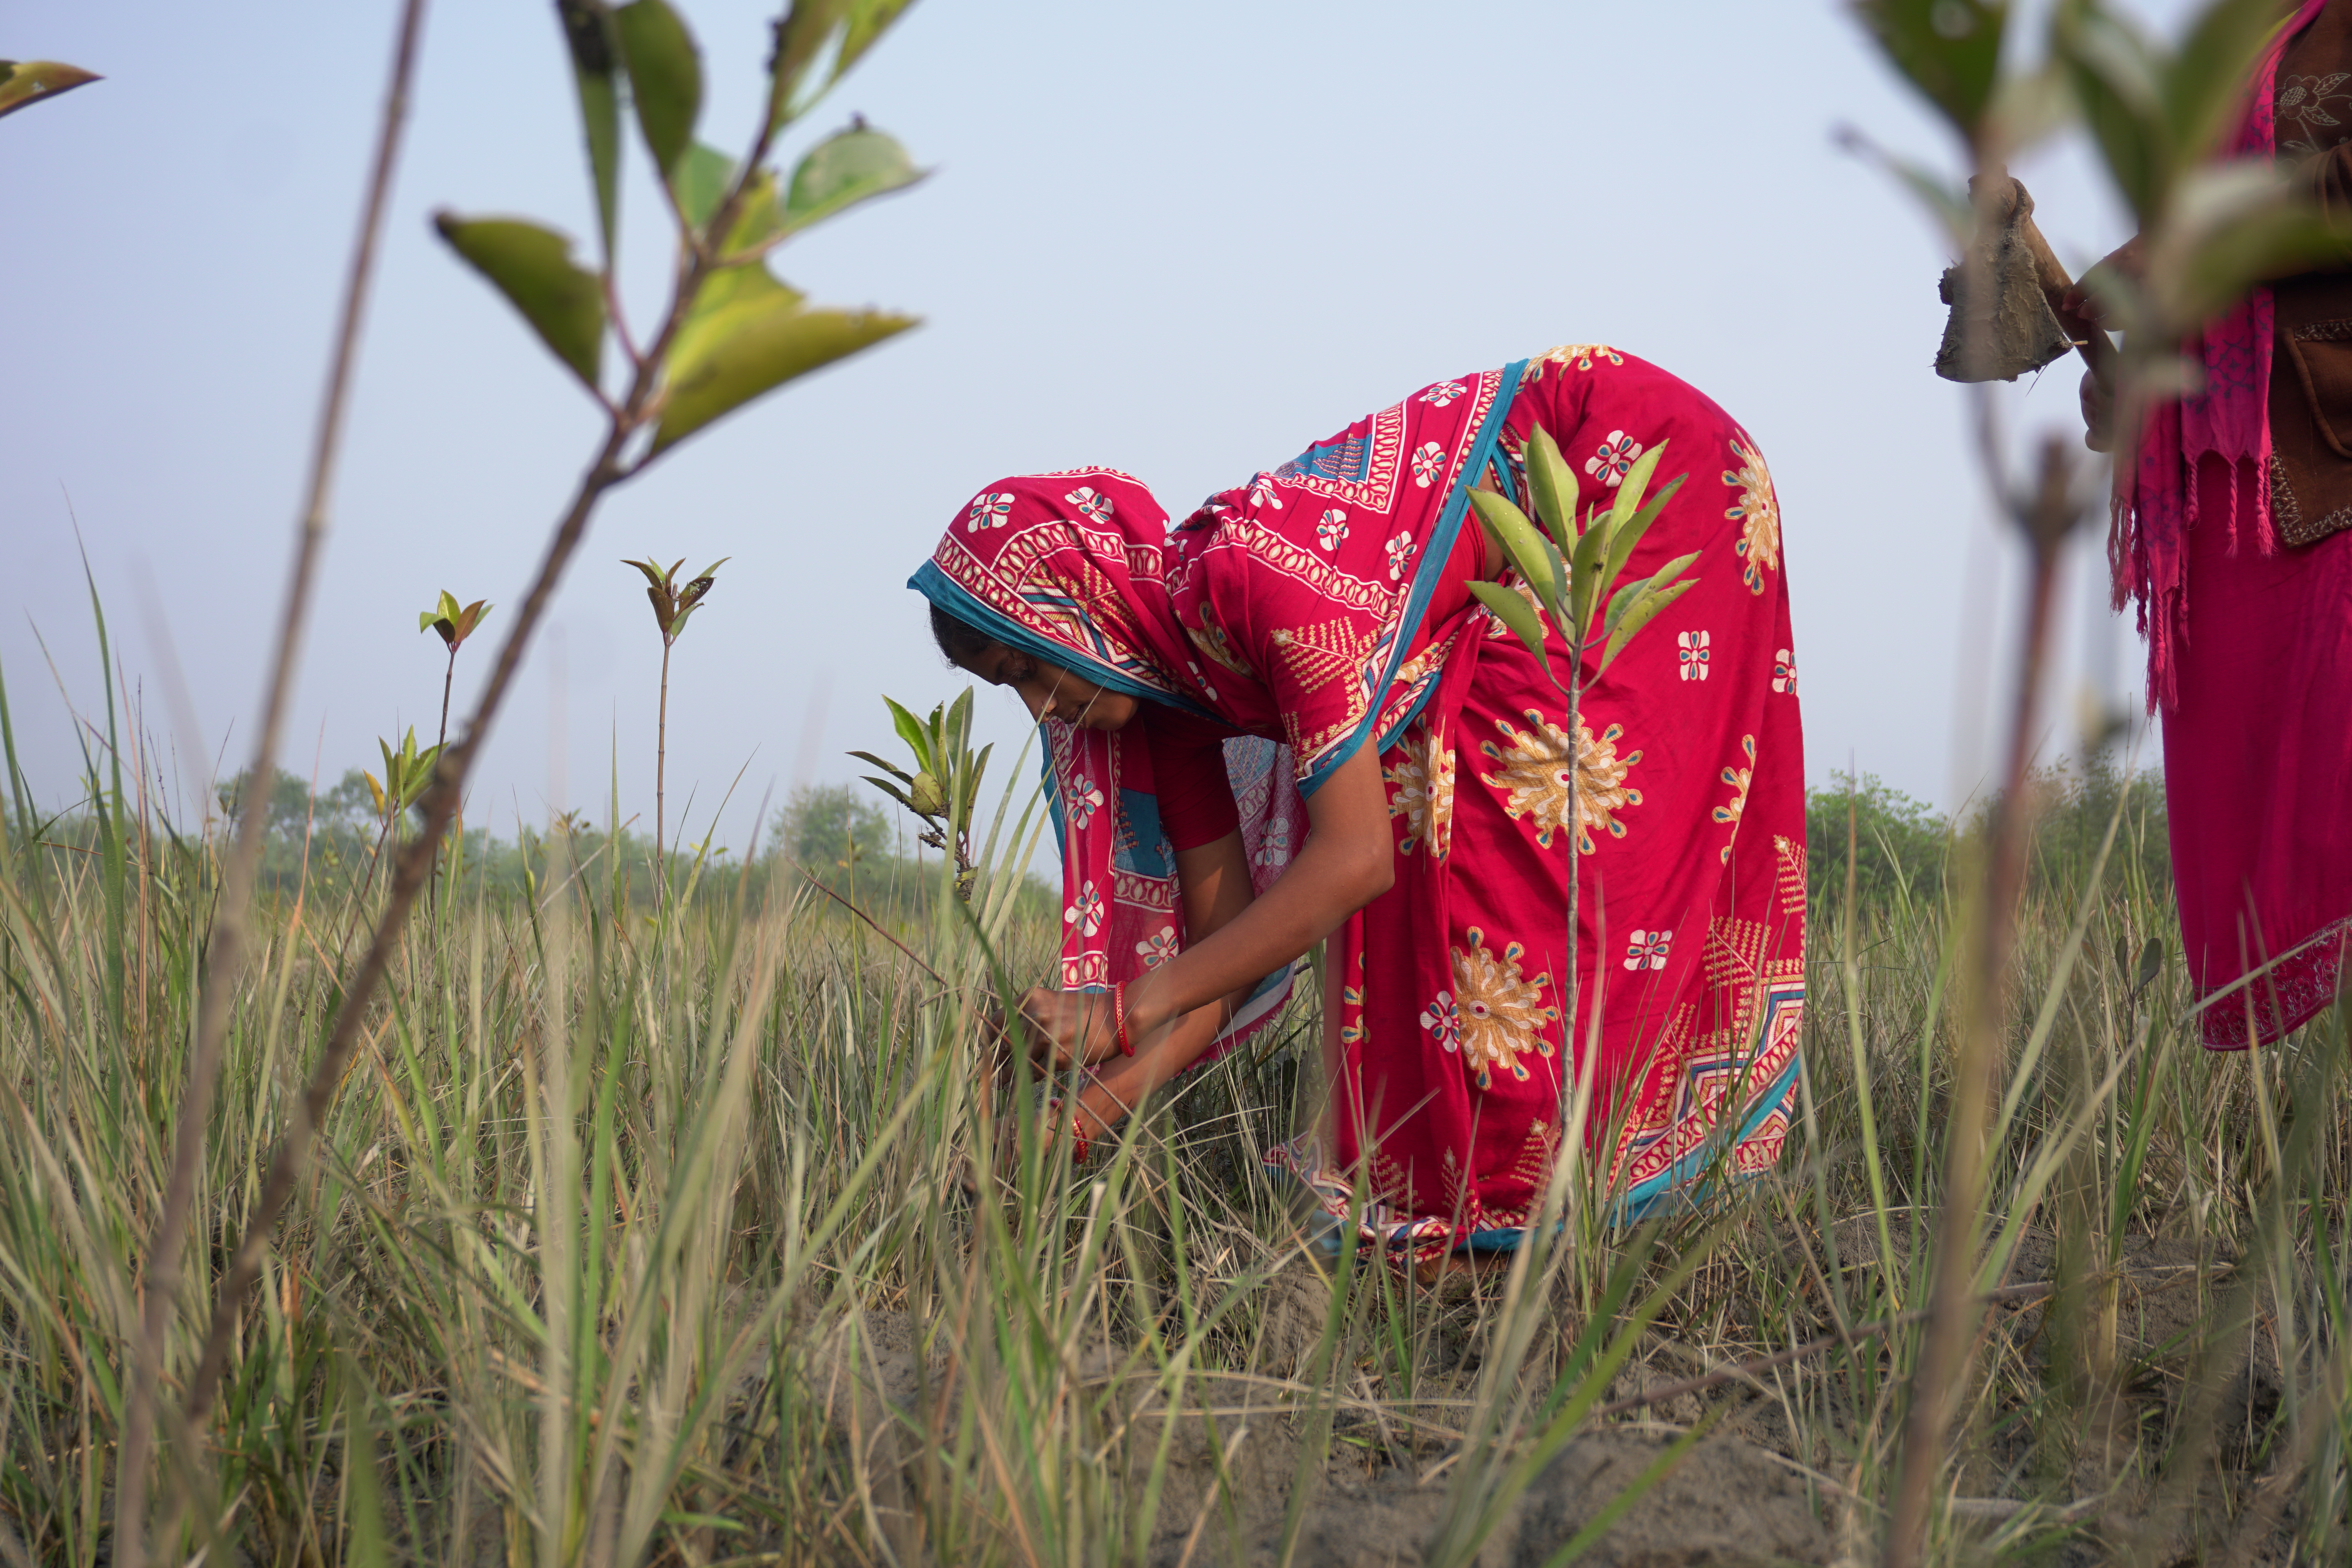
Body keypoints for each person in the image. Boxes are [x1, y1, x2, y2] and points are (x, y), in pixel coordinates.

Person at [909, 347, 1806, 1268]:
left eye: (1026, 666)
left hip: (1626, 448)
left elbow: (1352, 861)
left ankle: (1556, 1202)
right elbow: (1228, 963)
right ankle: (1500, 1214)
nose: (1040, 709)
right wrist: (1079, 1120)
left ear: (1080, 597)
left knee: (1497, 806)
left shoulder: (1257, 585)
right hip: (1554, 514)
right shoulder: (1175, 715)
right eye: (1007, 687)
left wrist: (1121, 1006)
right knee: (1426, 790)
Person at [2076, 0, 2352, 1047]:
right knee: (2248, 831)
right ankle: (2296, 1163)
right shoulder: (2233, 47)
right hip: (2229, 494)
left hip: (2335, 461)